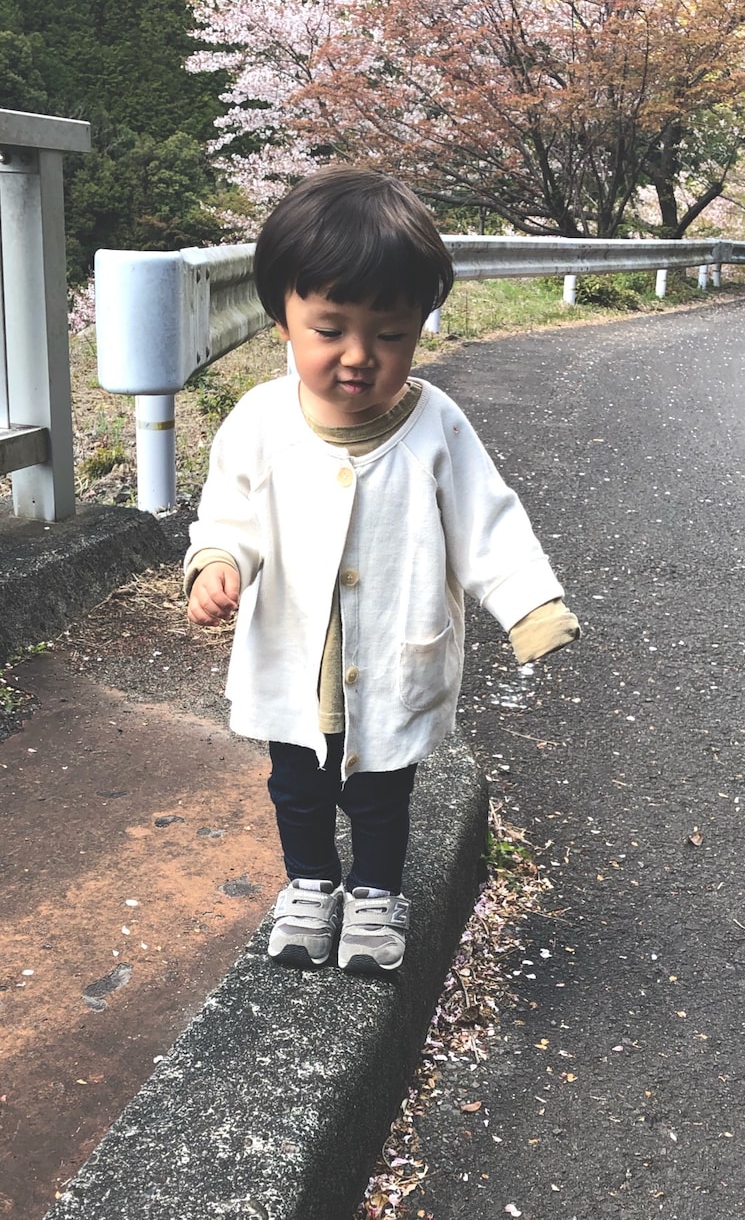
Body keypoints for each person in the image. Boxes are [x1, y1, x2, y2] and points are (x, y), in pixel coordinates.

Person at [184, 166, 579, 976]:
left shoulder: (435, 425)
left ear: (419, 327)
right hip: (297, 659)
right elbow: (230, 513)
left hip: (394, 656)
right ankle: (309, 882)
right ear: (283, 318)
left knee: (380, 790)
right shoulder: (261, 420)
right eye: (330, 330)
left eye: (390, 335)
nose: (359, 357)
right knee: (296, 783)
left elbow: (487, 520)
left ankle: (374, 893)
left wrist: (530, 603)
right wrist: (218, 562)